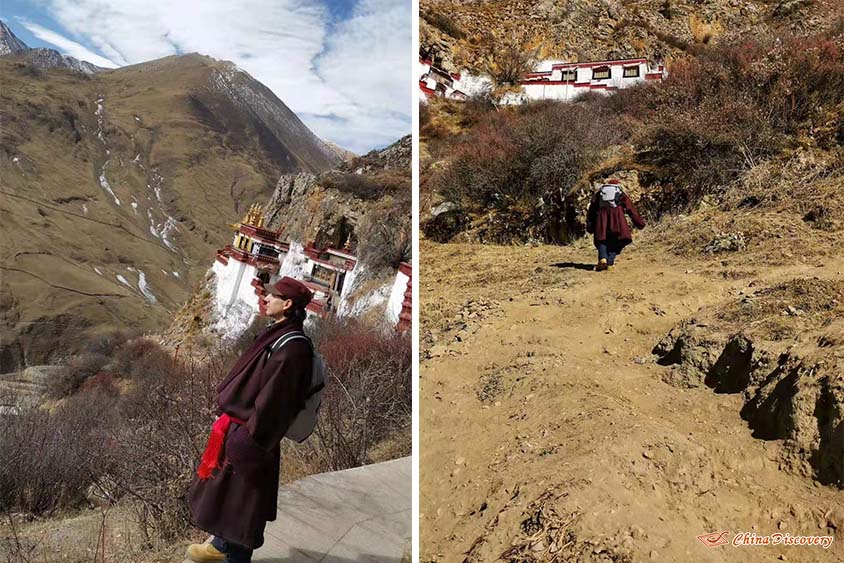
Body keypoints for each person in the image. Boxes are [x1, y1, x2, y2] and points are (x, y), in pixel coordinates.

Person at [186, 276, 314, 563]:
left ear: (288, 303)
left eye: (273, 296)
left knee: (244, 506)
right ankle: (220, 545)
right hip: (241, 428)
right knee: (231, 498)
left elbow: (275, 404)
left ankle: (233, 557)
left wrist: (249, 440)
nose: (266, 299)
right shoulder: (278, 333)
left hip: (253, 436)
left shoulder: (293, 347)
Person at [586, 179, 646, 271]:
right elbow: (631, 209)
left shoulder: (599, 193)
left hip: (602, 218)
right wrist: (639, 223)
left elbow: (592, 211)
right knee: (616, 241)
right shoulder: (620, 193)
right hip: (617, 219)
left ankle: (603, 259)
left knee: (601, 240)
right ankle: (610, 263)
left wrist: (590, 226)